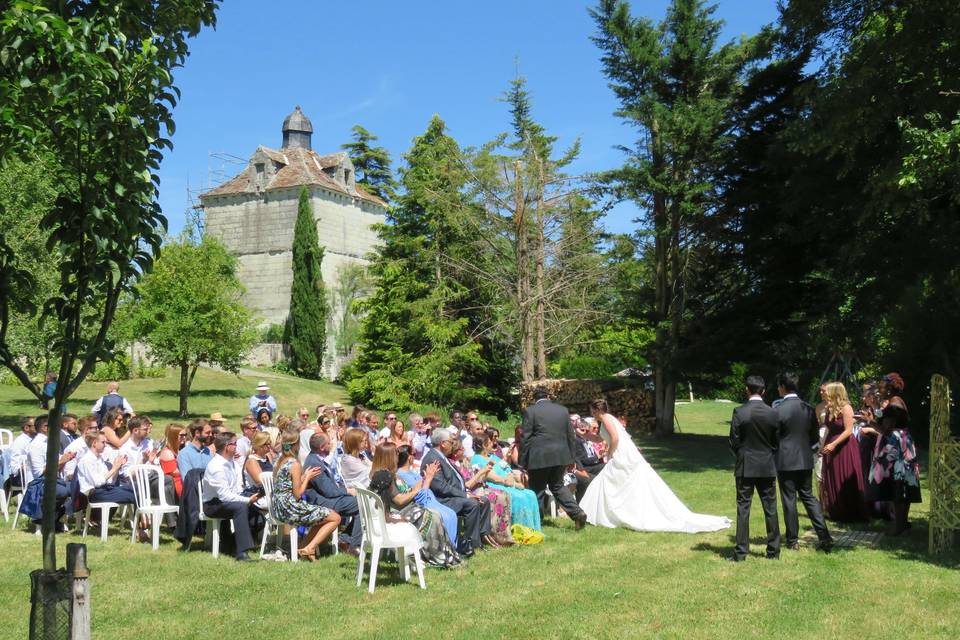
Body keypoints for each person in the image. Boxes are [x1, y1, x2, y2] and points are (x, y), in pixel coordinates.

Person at [369, 443, 462, 567]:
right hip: (396, 514)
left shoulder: (383, 473)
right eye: (396, 454)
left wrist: (421, 483)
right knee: (433, 516)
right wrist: (416, 490)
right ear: (389, 456)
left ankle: (442, 554)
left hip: (400, 511)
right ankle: (434, 555)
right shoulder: (385, 476)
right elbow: (399, 500)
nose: (398, 457)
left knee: (435, 514)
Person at [774, 373, 832, 552]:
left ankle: (793, 540)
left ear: (783, 387)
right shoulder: (808, 408)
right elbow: (815, 437)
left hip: (785, 460)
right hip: (805, 459)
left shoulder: (778, 410)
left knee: (789, 499)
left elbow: (773, 437)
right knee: (809, 497)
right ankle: (824, 536)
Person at [728, 376, 780, 561]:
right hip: (766, 464)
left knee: (743, 508)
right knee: (770, 507)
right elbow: (776, 442)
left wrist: (742, 454)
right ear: (763, 391)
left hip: (745, 465)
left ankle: (741, 552)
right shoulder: (773, 413)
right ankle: (773, 551)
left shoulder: (739, 412)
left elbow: (734, 440)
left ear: (747, 390)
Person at [520, 387, 587, 529]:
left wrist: (522, 461)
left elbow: (525, 437)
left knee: (537, 489)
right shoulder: (562, 410)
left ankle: (537, 521)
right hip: (561, 455)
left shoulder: (530, 411)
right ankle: (577, 513)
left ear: (534, 398)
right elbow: (571, 435)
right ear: (548, 396)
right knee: (557, 485)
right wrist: (571, 457)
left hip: (539, 456)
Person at [862, 375, 921, 535]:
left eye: (881, 387)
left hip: (896, 446)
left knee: (897, 485)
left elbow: (886, 430)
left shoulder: (894, 404)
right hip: (902, 442)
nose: (879, 390)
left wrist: (869, 421)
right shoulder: (897, 401)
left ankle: (899, 526)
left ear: (889, 388)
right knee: (902, 485)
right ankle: (902, 523)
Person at [271, 431, 341, 561]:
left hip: (278, 507)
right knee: (335, 518)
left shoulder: (281, 461)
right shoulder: (295, 464)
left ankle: (303, 547)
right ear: (296, 445)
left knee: (322, 516)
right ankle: (309, 548)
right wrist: (307, 478)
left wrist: (302, 477)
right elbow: (298, 494)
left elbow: (287, 484)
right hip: (289, 508)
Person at [422, 428, 492, 556]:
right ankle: (471, 543)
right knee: (472, 504)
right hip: (442, 500)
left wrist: (466, 492)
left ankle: (481, 538)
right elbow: (441, 487)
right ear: (443, 443)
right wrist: (465, 495)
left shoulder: (442, 456)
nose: (452, 444)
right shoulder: (433, 459)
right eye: (450, 441)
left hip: (454, 495)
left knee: (484, 500)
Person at [201, 431, 262, 562]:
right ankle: (242, 553)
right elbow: (224, 496)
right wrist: (247, 500)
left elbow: (237, 488)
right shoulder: (216, 466)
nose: (237, 446)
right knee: (241, 508)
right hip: (212, 504)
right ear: (227, 447)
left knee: (258, 518)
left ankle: (229, 544)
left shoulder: (232, 462)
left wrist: (249, 495)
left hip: (227, 500)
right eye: (234, 443)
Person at [302, 433, 361, 553]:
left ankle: (346, 541)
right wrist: (348, 491)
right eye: (329, 443)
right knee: (362, 505)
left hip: (327, 498)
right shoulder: (314, 464)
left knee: (362, 504)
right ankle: (351, 544)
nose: (332, 445)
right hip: (323, 502)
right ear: (322, 447)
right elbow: (329, 491)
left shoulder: (317, 459)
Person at [471, 431, 541, 531]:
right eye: (490, 441)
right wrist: (513, 484)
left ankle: (532, 529)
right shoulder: (477, 459)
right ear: (484, 444)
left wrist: (511, 477)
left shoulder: (493, 456)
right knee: (519, 497)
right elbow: (492, 477)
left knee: (530, 494)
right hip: (494, 485)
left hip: (508, 483)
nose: (493, 443)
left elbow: (507, 468)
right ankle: (519, 530)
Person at [819, 382, 868, 522]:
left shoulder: (846, 408)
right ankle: (837, 510)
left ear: (835, 392)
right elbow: (828, 428)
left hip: (844, 446)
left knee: (844, 474)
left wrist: (833, 444)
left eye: (827, 391)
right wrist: (823, 446)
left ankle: (851, 512)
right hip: (831, 444)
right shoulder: (829, 408)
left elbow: (848, 430)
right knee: (832, 475)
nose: (823, 393)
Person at [448, 440, 512, 546]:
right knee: (494, 497)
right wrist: (482, 472)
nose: (464, 450)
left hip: (478, 487)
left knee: (503, 494)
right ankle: (491, 534)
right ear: (455, 452)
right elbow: (466, 485)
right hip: (469, 491)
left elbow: (475, 478)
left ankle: (498, 534)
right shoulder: (453, 465)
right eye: (461, 449)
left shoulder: (464, 462)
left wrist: (483, 473)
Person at [396, 444, 458, 546]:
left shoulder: (411, 472)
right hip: (423, 503)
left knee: (451, 514)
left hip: (431, 500)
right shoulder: (402, 475)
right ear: (409, 457)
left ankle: (452, 547)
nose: (415, 457)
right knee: (446, 516)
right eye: (414, 454)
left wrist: (428, 476)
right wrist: (428, 479)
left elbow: (422, 485)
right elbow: (418, 495)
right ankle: (445, 548)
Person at [76, 431, 135, 505]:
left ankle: (143, 515)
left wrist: (117, 467)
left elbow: (110, 481)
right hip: (95, 493)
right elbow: (97, 483)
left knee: (134, 490)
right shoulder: (86, 460)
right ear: (94, 443)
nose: (105, 445)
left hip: (106, 489)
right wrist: (113, 468)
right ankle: (143, 516)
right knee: (133, 496)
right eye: (103, 442)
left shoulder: (99, 458)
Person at [571, 415, 605, 502]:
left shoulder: (586, 439)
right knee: (598, 475)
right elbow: (583, 460)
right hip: (583, 467)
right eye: (582, 429)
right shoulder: (576, 440)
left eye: (586, 429)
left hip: (591, 465)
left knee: (607, 467)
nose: (585, 431)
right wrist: (598, 456)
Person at [62, 417, 99, 481]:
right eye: (95, 428)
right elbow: (69, 474)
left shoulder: (95, 445)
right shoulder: (74, 448)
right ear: (87, 430)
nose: (98, 430)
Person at [159, 423, 186, 498]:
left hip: (183, 481)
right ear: (173, 436)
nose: (184, 437)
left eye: (185, 435)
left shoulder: (179, 450)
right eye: (181, 435)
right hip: (175, 484)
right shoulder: (167, 452)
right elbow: (174, 472)